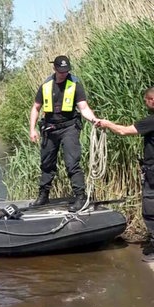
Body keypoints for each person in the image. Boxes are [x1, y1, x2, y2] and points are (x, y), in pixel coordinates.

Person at [29, 55, 99, 212]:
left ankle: (80, 196)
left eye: (66, 71)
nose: (63, 73)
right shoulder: (46, 85)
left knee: (72, 163)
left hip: (69, 128)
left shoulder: (75, 85)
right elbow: (36, 107)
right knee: (47, 163)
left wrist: (94, 120)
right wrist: (32, 129)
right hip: (50, 129)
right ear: (54, 69)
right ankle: (43, 195)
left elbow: (84, 108)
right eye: (61, 71)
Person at [96, 86, 154, 262]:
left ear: (152, 101)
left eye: (146, 100)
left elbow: (124, 131)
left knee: (150, 208)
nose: (145, 103)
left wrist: (107, 124)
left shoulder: (151, 121)